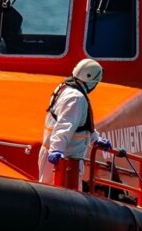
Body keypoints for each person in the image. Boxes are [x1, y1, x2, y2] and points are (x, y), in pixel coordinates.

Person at [40, 58, 113, 189]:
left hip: (55, 155)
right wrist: (57, 150)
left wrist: (95, 139)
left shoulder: (63, 88)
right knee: (58, 194)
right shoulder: (77, 98)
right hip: (65, 161)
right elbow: (64, 126)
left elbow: (80, 124)